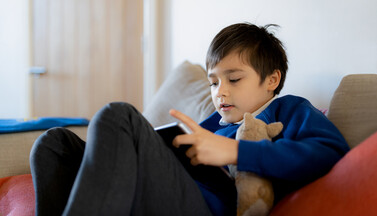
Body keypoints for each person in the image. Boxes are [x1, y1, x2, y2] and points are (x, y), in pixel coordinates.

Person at [30, 23, 350, 216]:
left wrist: (236, 153)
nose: (220, 92)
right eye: (213, 82)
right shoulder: (213, 123)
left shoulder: (289, 110)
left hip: (209, 209)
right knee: (54, 143)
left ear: (271, 80)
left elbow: (331, 153)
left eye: (234, 79)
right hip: (164, 191)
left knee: (117, 116)